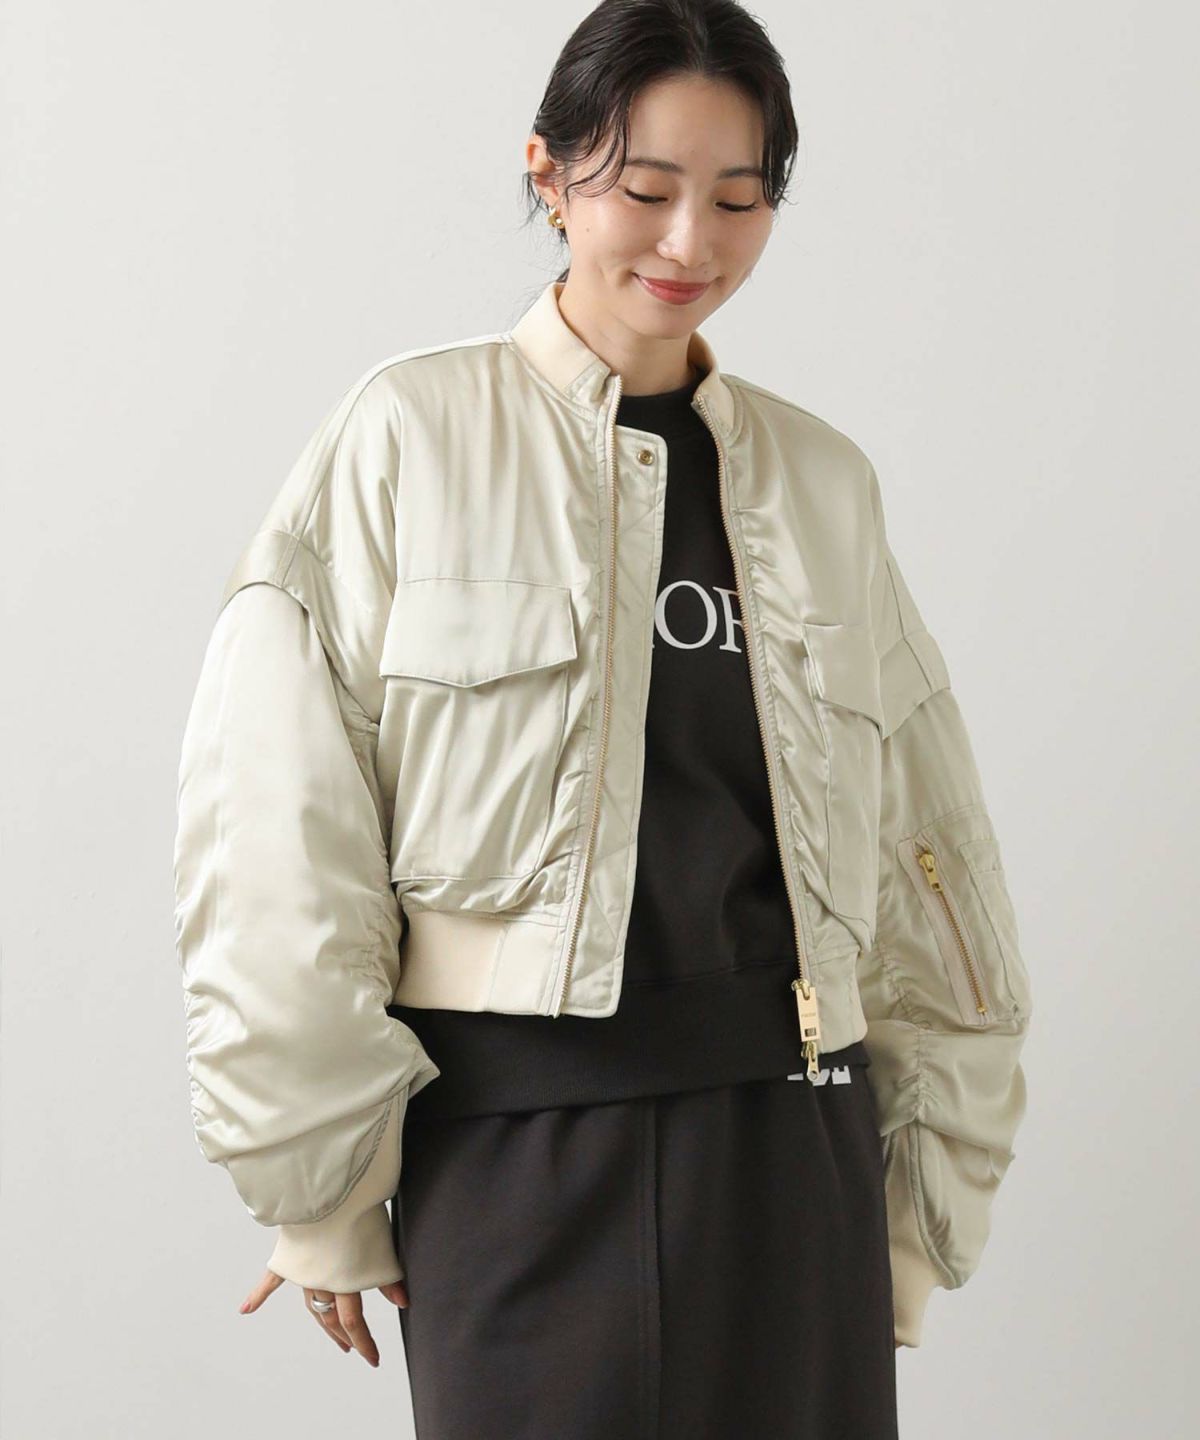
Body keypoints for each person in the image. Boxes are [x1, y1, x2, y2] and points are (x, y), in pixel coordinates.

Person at [172, 1, 1032, 1434]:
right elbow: (278, 829)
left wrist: (916, 1216)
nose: (691, 242)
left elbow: (930, 857)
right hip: (516, 1153)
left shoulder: (823, 483)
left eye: (740, 199)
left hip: (797, 1140)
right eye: (646, 188)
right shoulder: (410, 436)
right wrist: (319, 1185)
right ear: (550, 173)